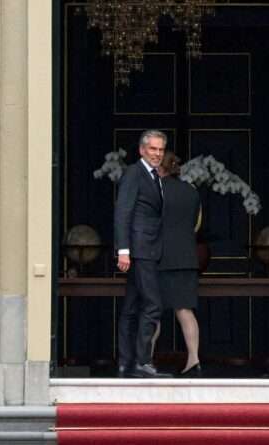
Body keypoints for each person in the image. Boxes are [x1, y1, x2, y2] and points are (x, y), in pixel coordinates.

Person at [114, 129, 171, 378]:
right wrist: (123, 250)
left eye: (161, 150)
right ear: (142, 150)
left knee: (131, 307)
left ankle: (125, 363)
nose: (157, 154)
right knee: (153, 305)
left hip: (148, 249)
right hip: (140, 250)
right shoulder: (134, 173)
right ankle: (142, 362)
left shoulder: (154, 176)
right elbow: (122, 212)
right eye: (153, 149)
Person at [156, 152, 202, 377]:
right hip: (186, 258)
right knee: (185, 310)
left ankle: (144, 362)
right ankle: (194, 360)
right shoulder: (191, 192)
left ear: (159, 168)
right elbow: (195, 223)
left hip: (160, 258)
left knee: (152, 313)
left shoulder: (156, 190)